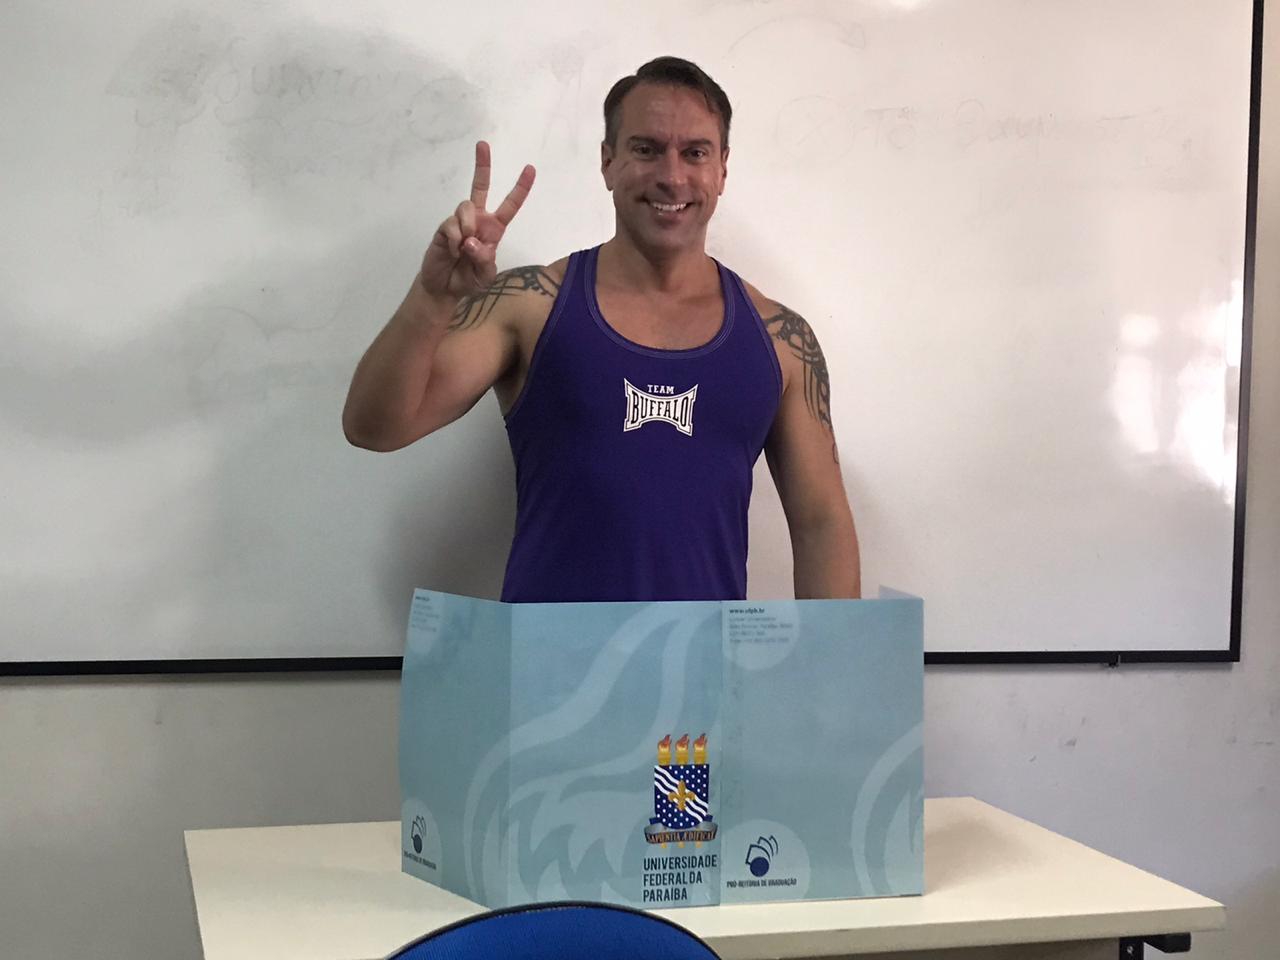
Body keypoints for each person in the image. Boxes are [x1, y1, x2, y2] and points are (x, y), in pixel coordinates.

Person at [343, 56, 859, 603]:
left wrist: (826, 658)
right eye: (646, 149)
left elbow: (821, 524)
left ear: (722, 169)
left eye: (695, 152)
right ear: (608, 162)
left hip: (702, 658)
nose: (672, 175)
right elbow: (376, 428)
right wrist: (433, 297)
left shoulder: (780, 340)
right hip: (542, 658)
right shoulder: (529, 306)